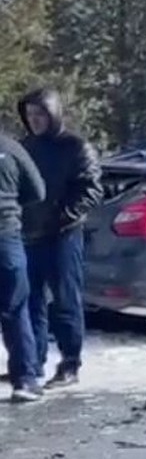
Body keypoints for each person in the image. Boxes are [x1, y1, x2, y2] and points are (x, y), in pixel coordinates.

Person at [18, 87, 103, 389]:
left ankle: (70, 363)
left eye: (40, 114)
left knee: (66, 300)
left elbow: (92, 189)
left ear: (52, 113)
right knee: (30, 302)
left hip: (64, 235)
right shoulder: (26, 147)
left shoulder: (75, 147)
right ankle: (32, 362)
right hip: (29, 234)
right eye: (30, 115)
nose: (35, 120)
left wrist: (64, 215)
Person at [0, 123, 46, 403]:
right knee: (16, 309)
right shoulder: (11, 147)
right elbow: (38, 191)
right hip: (6, 236)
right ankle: (25, 380)